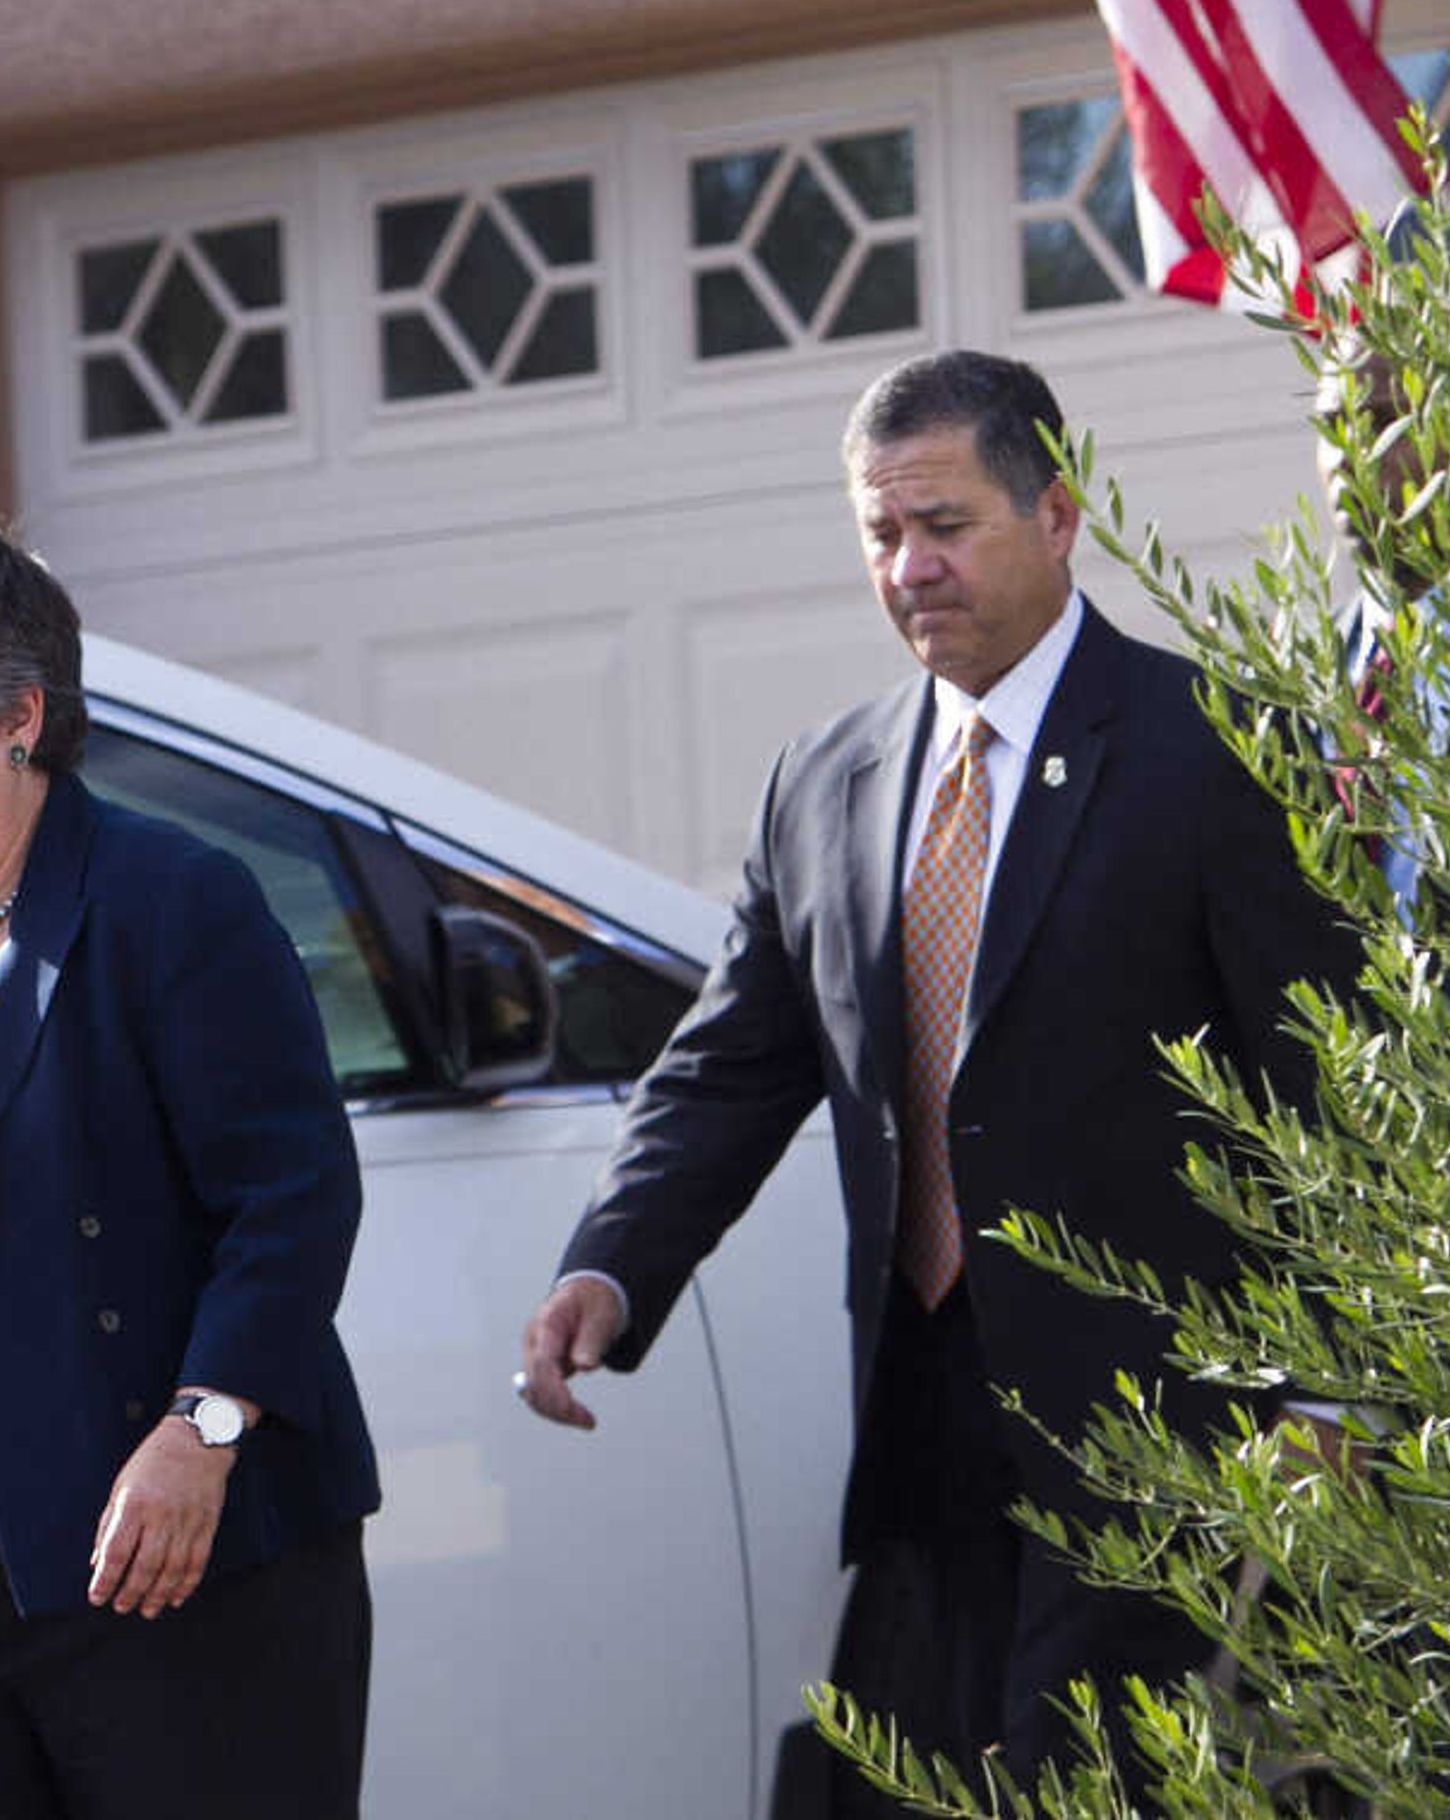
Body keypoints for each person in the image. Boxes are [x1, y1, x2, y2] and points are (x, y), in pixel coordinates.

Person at [514, 350, 1356, 1798]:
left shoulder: (1214, 747)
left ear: (1059, 514)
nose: (910, 567)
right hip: (924, 1434)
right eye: (880, 534)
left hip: (1155, 1439)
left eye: (946, 525)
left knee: (1069, 1779)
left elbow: (1327, 1087)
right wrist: (614, 1263)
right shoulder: (821, 782)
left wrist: (1332, 1394)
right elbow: (729, 1064)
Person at [0, 503, 379, 1820]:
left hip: (164, 1545)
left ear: (17, 717)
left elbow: (293, 1195)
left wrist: (202, 1430)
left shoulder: (176, 904)